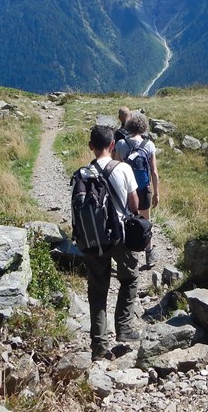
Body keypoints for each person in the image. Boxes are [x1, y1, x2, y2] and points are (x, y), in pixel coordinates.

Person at [82, 124, 140, 360]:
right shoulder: (123, 168)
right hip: (121, 237)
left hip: (94, 238)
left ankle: (98, 345)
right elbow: (134, 205)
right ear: (113, 145)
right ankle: (124, 329)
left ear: (91, 147)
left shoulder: (84, 173)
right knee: (130, 278)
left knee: (97, 289)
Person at [115, 111, 160, 268]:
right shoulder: (149, 145)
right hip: (143, 189)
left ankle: (130, 255)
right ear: (144, 127)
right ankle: (149, 254)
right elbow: (154, 171)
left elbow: (116, 168)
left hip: (126, 191)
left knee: (127, 221)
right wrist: (156, 193)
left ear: (129, 127)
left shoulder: (121, 145)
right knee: (146, 221)